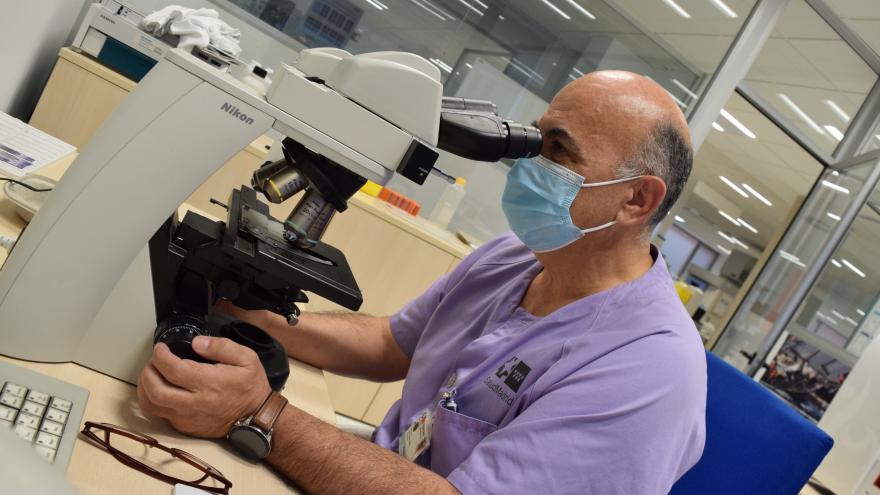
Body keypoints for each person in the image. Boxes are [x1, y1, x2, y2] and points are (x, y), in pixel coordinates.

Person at [137, 70, 706, 494]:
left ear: (637, 198)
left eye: (557, 150)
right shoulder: (514, 256)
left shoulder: (651, 369)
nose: (529, 165)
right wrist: (255, 320)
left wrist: (259, 414)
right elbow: (392, 344)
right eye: (532, 143)